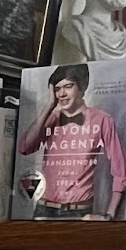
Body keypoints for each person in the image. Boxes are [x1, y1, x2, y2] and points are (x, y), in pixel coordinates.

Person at [17, 62, 126, 220]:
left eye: (68, 86)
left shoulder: (102, 120)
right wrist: (49, 106)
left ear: (81, 88)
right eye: (57, 89)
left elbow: (120, 170)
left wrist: (109, 216)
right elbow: (25, 147)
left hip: (79, 212)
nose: (61, 94)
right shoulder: (51, 118)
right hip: (43, 210)